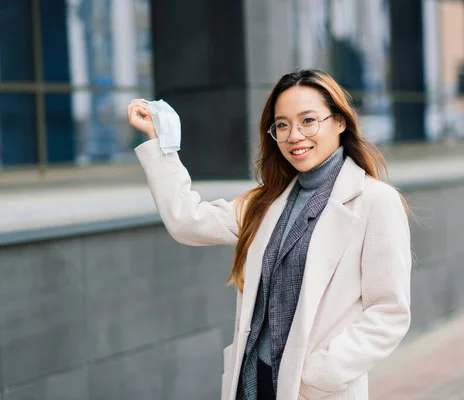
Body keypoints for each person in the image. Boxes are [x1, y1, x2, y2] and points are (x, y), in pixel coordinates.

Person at [128, 69, 411, 400]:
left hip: (316, 390)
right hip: (254, 382)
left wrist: (320, 374)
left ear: (339, 122)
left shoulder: (375, 201)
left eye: (308, 120)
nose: (294, 135)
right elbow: (188, 221)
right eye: (282, 125)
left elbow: (388, 312)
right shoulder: (269, 200)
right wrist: (160, 144)